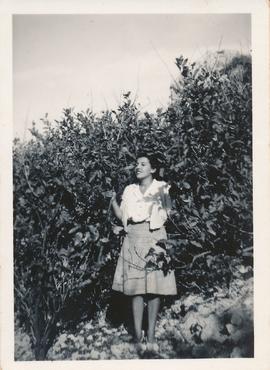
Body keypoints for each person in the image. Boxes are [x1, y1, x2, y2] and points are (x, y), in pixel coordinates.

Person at [111, 152, 177, 352]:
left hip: (155, 235)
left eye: (143, 164)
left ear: (153, 169)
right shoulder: (130, 190)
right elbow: (123, 215)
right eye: (136, 164)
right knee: (136, 288)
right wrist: (113, 202)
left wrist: (153, 223)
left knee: (154, 288)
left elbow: (167, 213)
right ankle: (138, 336)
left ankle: (151, 336)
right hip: (133, 237)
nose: (137, 167)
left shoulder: (161, 188)